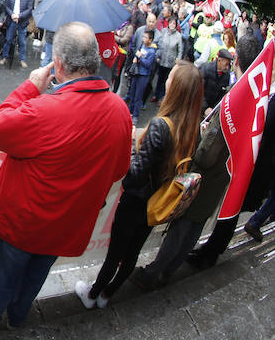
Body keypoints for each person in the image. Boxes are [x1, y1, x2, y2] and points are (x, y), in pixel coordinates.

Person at [0, 22, 132, 332]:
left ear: (59, 64)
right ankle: (17, 317)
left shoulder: (45, 109)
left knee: (7, 277)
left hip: (25, 223)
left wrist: (29, 88)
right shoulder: (120, 110)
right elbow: (120, 169)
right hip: (69, 224)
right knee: (36, 276)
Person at [75, 60, 203, 308]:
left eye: (170, 77)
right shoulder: (193, 128)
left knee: (116, 254)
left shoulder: (160, 127)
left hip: (136, 201)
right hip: (158, 203)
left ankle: (93, 295)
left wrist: (131, 147)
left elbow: (133, 175)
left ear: (175, 87)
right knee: (132, 252)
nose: (165, 79)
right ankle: (108, 294)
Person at [134, 36, 263, 280]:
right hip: (221, 179)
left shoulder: (236, 99)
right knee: (194, 229)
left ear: (236, 59)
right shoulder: (255, 99)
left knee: (182, 231)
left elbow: (206, 154)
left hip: (204, 179)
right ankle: (170, 271)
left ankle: (154, 273)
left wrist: (199, 141)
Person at [0, 0, 33, 68]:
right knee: (8, 39)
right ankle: (5, 57)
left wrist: (19, 16)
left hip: (22, 22)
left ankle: (22, 59)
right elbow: (6, 7)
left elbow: (29, 10)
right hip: (11, 21)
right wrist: (12, 15)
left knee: (22, 41)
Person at [126, 30, 157, 126]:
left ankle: (135, 115)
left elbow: (148, 64)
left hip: (143, 75)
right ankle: (129, 112)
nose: (143, 39)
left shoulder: (152, 52)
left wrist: (140, 57)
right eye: (143, 37)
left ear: (150, 40)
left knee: (138, 96)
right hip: (136, 73)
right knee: (132, 93)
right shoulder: (142, 46)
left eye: (145, 37)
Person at [151, 18, 182, 103]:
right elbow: (159, 43)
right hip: (162, 59)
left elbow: (180, 50)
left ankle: (162, 97)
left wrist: (178, 61)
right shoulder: (164, 31)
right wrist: (158, 55)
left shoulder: (178, 36)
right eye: (171, 23)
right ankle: (156, 95)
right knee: (159, 79)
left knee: (166, 80)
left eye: (174, 24)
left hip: (171, 62)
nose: (172, 25)